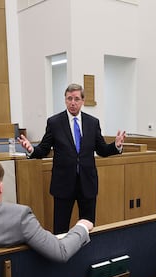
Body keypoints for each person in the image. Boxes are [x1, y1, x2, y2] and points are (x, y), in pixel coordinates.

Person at [18, 83, 126, 234]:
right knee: (60, 229)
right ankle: (59, 257)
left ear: (82, 101)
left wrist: (116, 146)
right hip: (63, 184)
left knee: (88, 227)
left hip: (87, 183)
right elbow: (43, 149)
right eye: (69, 99)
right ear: (65, 100)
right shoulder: (54, 122)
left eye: (76, 99)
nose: (73, 102)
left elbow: (102, 149)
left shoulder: (92, 122)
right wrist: (31, 150)